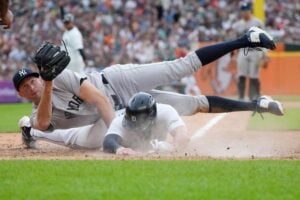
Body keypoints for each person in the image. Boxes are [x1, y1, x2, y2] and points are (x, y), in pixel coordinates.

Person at [15, 27, 283, 150]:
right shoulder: (45, 98)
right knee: (193, 105)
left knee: (180, 67)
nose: (32, 85)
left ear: (40, 76)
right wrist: (46, 86)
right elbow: (44, 120)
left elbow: (100, 101)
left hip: (117, 83)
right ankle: (255, 104)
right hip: (117, 111)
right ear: (22, 94)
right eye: (26, 86)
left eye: (34, 79)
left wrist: (127, 140)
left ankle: (246, 38)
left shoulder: (60, 77)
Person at [103, 92, 190, 155]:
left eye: (140, 121)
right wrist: (120, 149)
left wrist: (173, 148)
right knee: (92, 142)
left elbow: (182, 134)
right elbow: (108, 141)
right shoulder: (119, 120)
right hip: (104, 123)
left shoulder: (165, 111)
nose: (136, 126)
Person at [232, 2, 269, 101]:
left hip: (255, 51)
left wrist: (265, 55)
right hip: (242, 51)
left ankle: (254, 97)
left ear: (250, 11)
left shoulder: (257, 23)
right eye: (242, 11)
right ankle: (241, 97)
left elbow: (264, 39)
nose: (244, 13)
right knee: (241, 74)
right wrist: (233, 53)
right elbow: (235, 41)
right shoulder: (237, 25)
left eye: (246, 11)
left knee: (254, 75)